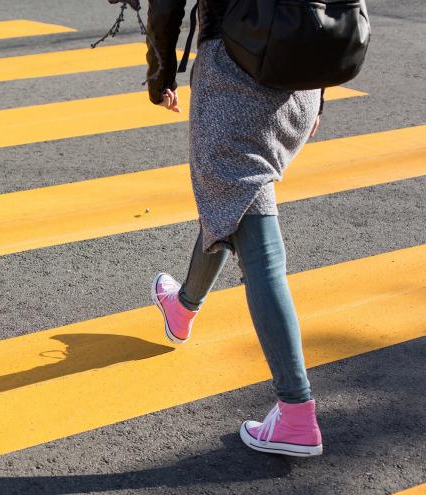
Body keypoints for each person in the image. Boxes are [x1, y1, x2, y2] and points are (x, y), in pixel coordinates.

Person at [113, 0, 325, 456]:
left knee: (257, 241)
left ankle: (295, 410)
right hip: (301, 74)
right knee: (235, 196)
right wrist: (319, 90)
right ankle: (183, 307)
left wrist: (161, 74)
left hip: (237, 69)